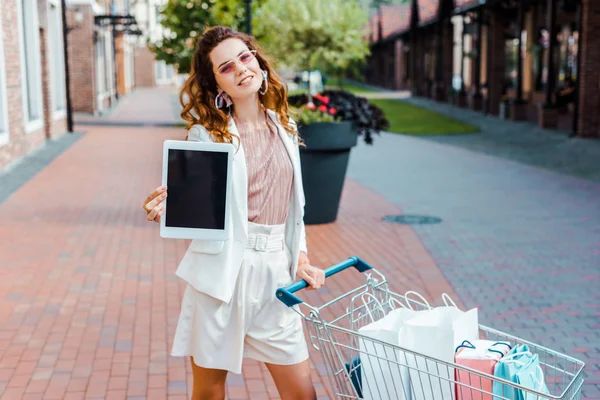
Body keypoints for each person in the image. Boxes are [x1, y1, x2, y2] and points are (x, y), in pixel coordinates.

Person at [141, 26, 325, 400]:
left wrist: (301, 257)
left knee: (302, 394)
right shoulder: (207, 135)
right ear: (217, 82)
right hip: (221, 277)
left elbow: (294, 209)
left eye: (244, 57)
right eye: (227, 67)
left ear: (256, 59)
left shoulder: (286, 126)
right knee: (209, 392)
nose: (241, 68)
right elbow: (199, 205)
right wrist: (167, 208)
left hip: (276, 275)